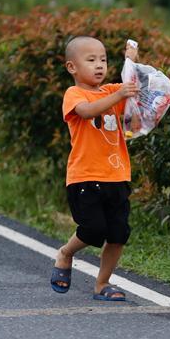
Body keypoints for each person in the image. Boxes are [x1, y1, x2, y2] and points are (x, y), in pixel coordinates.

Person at [50, 36, 140, 301]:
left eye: (103, 59)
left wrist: (131, 61)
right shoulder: (74, 94)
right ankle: (66, 253)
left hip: (117, 175)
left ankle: (102, 284)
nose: (99, 65)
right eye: (91, 60)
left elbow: (131, 96)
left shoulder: (112, 90)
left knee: (119, 233)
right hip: (85, 178)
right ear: (72, 68)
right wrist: (119, 94)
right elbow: (88, 112)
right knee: (92, 229)